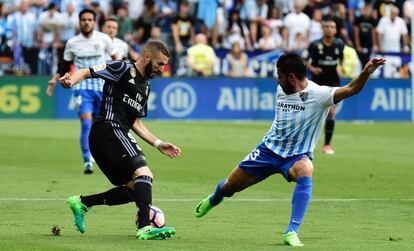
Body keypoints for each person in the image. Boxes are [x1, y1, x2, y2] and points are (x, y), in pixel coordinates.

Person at [195, 53, 385, 247]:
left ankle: (292, 231)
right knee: (229, 187)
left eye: (280, 75)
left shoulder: (319, 95)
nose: (277, 79)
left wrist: (366, 73)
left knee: (306, 170)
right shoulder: (281, 89)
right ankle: (214, 198)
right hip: (267, 151)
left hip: (296, 156)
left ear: (291, 77)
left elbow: (352, 88)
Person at [59, 40, 181, 239]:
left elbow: (136, 123)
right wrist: (70, 81)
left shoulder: (146, 87)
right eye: (160, 64)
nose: (162, 69)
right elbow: (87, 72)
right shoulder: (122, 68)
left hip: (113, 134)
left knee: (134, 188)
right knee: (144, 173)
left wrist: (159, 144)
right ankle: (144, 227)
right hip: (107, 128)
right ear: (147, 57)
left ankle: (82, 203)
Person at [46, 9, 118, 174]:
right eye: (83, 19)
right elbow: (64, 65)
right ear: (79, 22)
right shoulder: (72, 42)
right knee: (86, 121)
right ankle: (87, 160)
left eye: (90, 19)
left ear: (94, 22)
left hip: (102, 86)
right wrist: (54, 79)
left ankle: (105, 156)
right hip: (81, 87)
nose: (86, 22)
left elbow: (116, 58)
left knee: (103, 125)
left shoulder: (104, 39)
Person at [307, 19, 344, 154]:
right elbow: (305, 62)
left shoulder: (339, 44)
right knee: (314, 115)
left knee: (331, 112)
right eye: (327, 26)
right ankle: (308, 144)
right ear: (323, 29)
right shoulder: (315, 45)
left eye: (332, 27)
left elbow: (341, 59)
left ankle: (327, 145)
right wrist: (313, 69)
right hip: (317, 84)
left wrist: (341, 68)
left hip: (334, 83)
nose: (329, 29)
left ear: (335, 30)